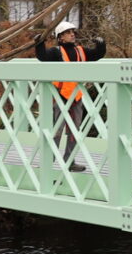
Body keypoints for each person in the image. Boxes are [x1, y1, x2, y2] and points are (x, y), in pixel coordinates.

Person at [34, 19, 106, 170]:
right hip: (60, 96)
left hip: (76, 97)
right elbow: (42, 57)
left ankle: (70, 161)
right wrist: (39, 43)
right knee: (57, 130)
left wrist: (101, 45)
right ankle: (49, 160)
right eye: (68, 33)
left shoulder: (81, 50)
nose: (72, 34)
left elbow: (97, 55)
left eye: (72, 32)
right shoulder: (55, 52)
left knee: (74, 130)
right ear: (60, 37)